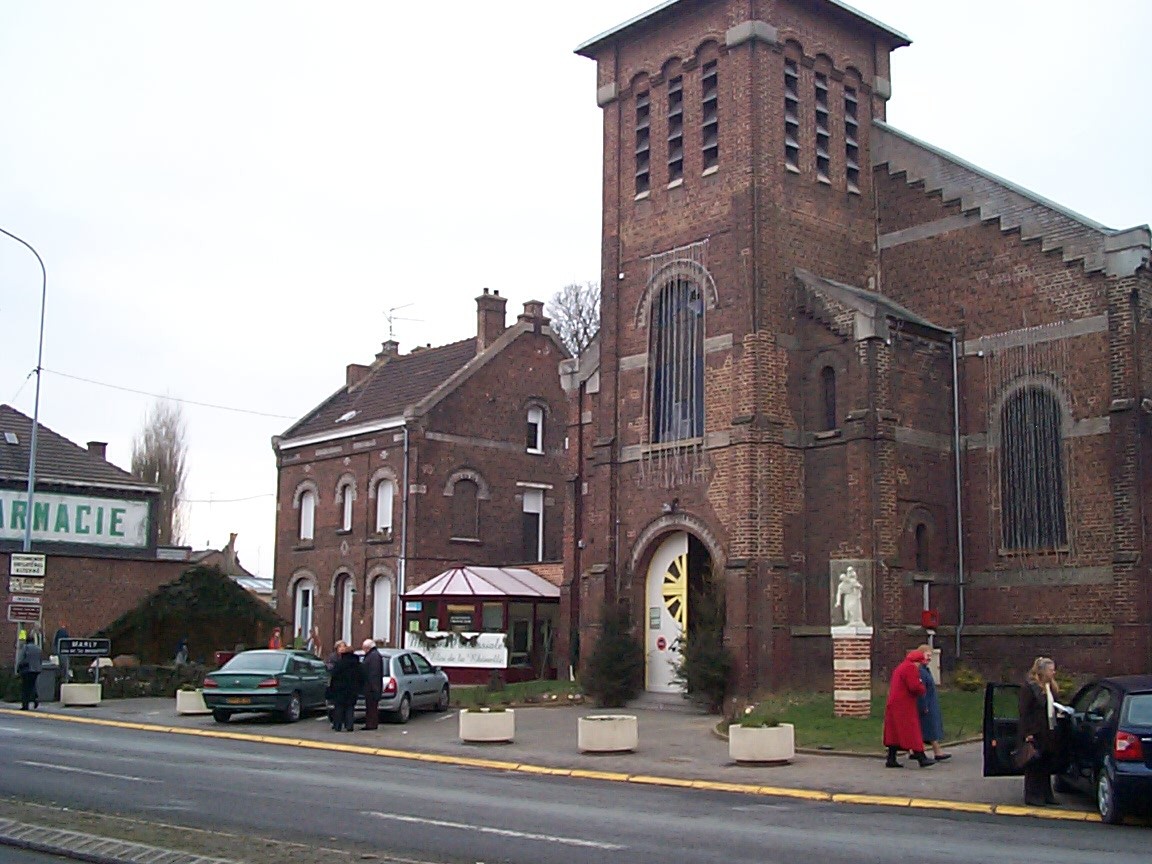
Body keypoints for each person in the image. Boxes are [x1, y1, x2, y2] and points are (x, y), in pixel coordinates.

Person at [1019, 656, 1062, 806]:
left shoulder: (1050, 687)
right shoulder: (1030, 688)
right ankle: (1032, 795)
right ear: (1042, 671)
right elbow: (1024, 712)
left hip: (1048, 730)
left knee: (1046, 763)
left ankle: (1046, 794)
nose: (1053, 673)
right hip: (1036, 730)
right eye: (1051, 670)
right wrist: (1027, 733)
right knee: (1034, 764)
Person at [883, 648, 934, 768]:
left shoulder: (901, 666)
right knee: (911, 730)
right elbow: (914, 686)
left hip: (894, 703)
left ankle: (891, 758)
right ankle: (921, 757)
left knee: (894, 731)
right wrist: (922, 687)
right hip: (904, 704)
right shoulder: (910, 668)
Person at [915, 644, 949, 761]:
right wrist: (924, 705)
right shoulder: (921, 671)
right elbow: (921, 689)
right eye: (927, 655)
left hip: (930, 702)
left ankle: (927, 750)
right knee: (929, 728)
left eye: (930, 655)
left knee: (929, 728)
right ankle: (936, 751)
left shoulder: (925, 670)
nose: (929, 658)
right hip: (927, 703)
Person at [327, 641, 365, 732]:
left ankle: (338, 726)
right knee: (350, 708)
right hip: (352, 690)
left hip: (340, 689)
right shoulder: (357, 664)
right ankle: (349, 726)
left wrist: (332, 688)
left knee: (339, 708)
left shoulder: (340, 663)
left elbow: (334, 675)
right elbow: (361, 677)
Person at [15, 634, 43, 711]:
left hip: (27, 670)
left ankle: (25, 705)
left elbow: (21, 659)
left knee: (25, 688)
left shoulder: (25, 648)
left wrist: (17, 668)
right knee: (32, 685)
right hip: (36, 670)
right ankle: (35, 698)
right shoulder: (38, 648)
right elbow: (40, 659)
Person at [361, 639, 383, 730]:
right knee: (372, 707)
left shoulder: (372, 657)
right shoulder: (375, 655)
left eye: (364, 648)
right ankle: (371, 724)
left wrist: (373, 687)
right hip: (373, 686)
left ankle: (371, 724)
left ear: (367, 647)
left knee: (371, 707)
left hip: (372, 687)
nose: (363, 650)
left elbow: (373, 673)